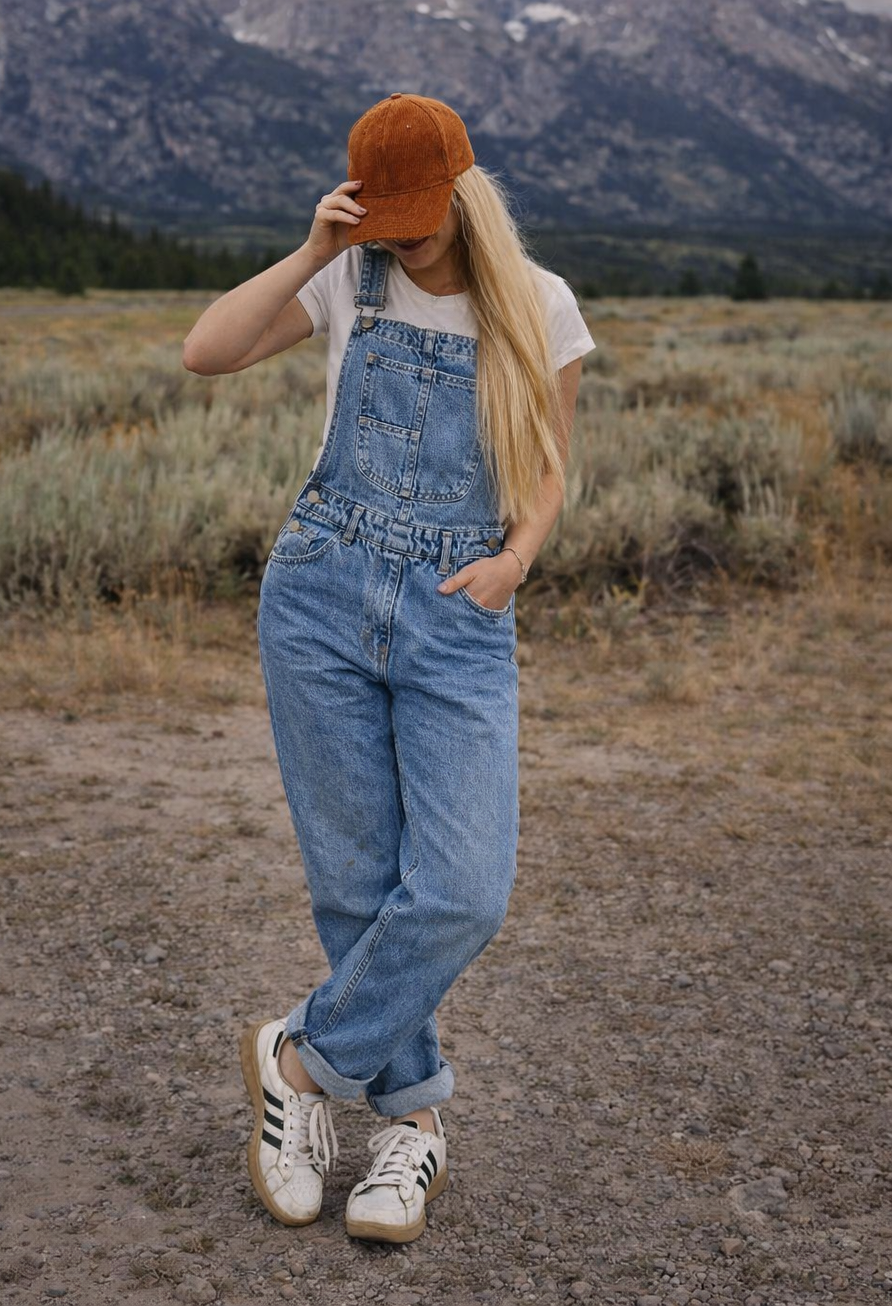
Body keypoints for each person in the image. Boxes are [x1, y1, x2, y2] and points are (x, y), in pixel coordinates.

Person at [181, 92, 596, 1244]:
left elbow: (549, 468)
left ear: (463, 191)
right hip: (319, 594)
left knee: (462, 887)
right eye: (386, 219)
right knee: (356, 885)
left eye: (418, 218)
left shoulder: (541, 304)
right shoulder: (344, 278)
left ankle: (299, 1064)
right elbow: (205, 352)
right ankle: (412, 1125)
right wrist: (314, 247)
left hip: (458, 610)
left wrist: (513, 561)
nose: (404, 241)